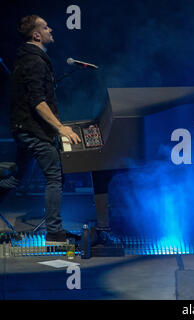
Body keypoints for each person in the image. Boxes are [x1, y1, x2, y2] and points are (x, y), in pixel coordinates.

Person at [3, 15, 81, 244]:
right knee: (55, 176)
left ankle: (55, 230)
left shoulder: (28, 58)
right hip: (32, 130)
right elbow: (38, 101)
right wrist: (60, 129)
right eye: (46, 27)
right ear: (36, 35)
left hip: (25, 129)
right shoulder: (34, 61)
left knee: (16, 179)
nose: (51, 29)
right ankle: (55, 234)